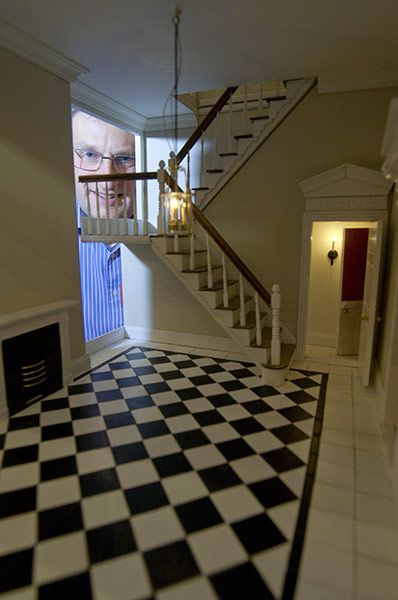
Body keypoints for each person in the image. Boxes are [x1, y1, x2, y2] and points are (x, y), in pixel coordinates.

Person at [72, 110, 136, 342]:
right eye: (90, 154)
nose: (108, 180)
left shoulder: (166, 235)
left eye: (125, 158)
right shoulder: (41, 238)